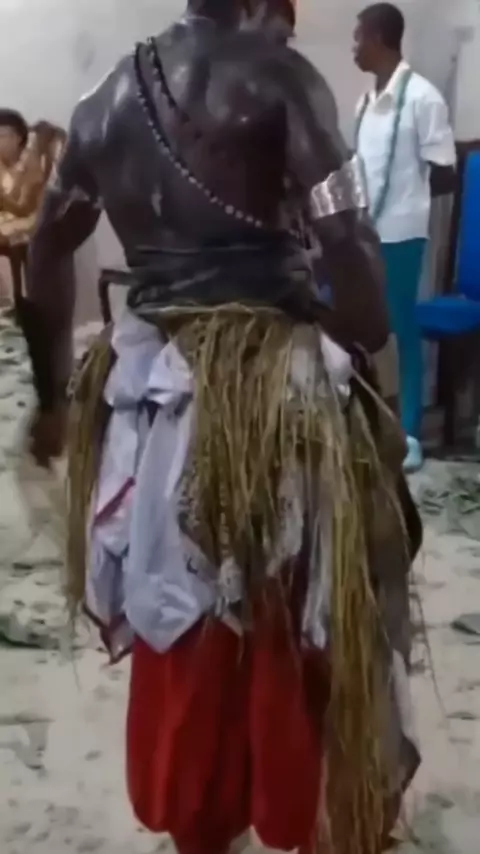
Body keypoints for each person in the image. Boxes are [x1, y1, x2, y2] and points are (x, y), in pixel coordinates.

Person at [19, 1, 422, 853]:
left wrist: (54, 399)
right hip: (277, 404)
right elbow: (352, 255)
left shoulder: (103, 101)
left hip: (149, 408)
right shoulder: (284, 81)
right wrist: (354, 332)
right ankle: (321, 806)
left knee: (183, 614)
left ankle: (201, 816)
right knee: (305, 603)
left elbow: (48, 249)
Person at [353, 3, 456, 472]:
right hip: (364, 233)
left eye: (358, 37)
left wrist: (406, 202)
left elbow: (445, 172)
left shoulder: (422, 98)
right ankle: (366, 422)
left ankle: (410, 432)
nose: (354, 47)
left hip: (400, 233)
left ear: (379, 38)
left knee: (401, 327)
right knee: (364, 329)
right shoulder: (366, 102)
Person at [0, 111, 65, 311]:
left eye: (2, 136)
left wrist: (2, 199)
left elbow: (24, 208)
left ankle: (18, 305)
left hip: (30, 219)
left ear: (18, 138)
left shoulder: (31, 163)